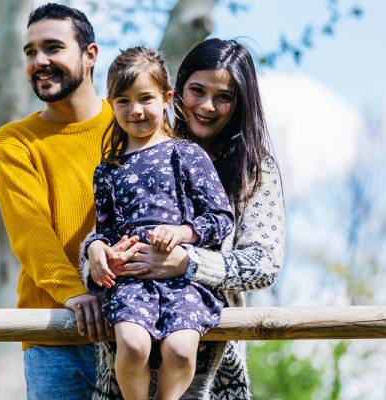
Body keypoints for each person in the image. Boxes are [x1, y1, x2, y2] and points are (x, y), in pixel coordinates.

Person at [83, 38, 285, 399]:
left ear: (240, 102)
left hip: (208, 363)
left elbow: (265, 264)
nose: (207, 106)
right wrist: (94, 252)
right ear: (176, 92)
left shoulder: (255, 170)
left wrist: (186, 262)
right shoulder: (129, 157)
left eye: (224, 96)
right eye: (197, 91)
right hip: (126, 355)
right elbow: (105, 228)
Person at [0, 3, 132, 399]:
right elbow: (30, 234)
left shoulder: (131, 124)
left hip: (136, 331)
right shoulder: (15, 141)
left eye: (53, 48)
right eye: (31, 52)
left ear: (90, 55)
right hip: (55, 335)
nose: (40, 61)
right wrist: (74, 292)